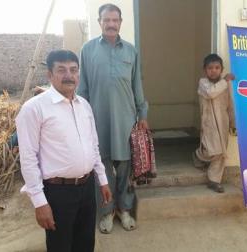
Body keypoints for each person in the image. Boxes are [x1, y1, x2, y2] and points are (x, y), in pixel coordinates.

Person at [16, 50, 112, 251]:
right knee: (60, 246)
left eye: (73, 70)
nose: (68, 75)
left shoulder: (84, 105)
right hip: (57, 192)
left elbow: (93, 145)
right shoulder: (34, 109)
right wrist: (40, 203)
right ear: (50, 75)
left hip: (86, 188)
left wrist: (102, 180)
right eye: (61, 70)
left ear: (78, 74)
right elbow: (28, 158)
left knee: (85, 243)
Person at [77, 3, 148, 234]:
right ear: (99, 22)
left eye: (115, 20)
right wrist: (80, 118)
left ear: (120, 23)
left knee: (126, 167)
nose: (111, 24)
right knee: (103, 168)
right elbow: (83, 89)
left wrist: (143, 114)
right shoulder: (87, 50)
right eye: (106, 20)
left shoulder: (131, 51)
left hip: (127, 120)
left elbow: (137, 84)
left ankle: (124, 210)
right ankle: (107, 212)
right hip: (98, 120)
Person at [192, 53, 236, 193]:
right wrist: (225, 81)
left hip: (222, 123)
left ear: (221, 69)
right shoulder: (203, 83)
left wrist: (232, 123)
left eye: (217, 67)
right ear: (205, 70)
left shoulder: (226, 86)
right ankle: (198, 155)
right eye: (210, 68)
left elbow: (230, 105)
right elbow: (211, 93)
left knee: (221, 152)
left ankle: (214, 180)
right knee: (212, 150)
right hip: (209, 123)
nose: (214, 70)